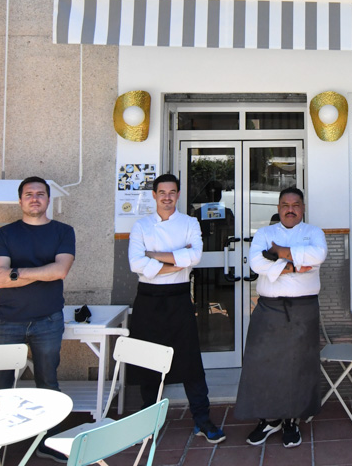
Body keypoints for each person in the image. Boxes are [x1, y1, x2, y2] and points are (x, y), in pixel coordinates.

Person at [127, 173, 226, 444]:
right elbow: (136, 264)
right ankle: (149, 422)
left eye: (172, 192)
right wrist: (175, 263)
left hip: (180, 297)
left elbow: (194, 256)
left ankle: (202, 420)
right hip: (148, 299)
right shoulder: (142, 226)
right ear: (154, 195)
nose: (167, 197)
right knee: (148, 360)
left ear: (178, 195)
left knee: (190, 361)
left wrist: (155, 257)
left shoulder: (189, 222)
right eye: (162, 192)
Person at [0, 176, 75, 462]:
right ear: (20, 199)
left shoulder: (63, 232)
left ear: (49, 199)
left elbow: (60, 271)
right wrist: (39, 272)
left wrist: (17, 273)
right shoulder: (4, 234)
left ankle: (47, 442)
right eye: (29, 194)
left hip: (48, 320)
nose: (34, 198)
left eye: (40, 194)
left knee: (48, 383)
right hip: (7, 320)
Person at [234, 187, 326, 448]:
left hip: (304, 308)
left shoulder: (313, 233)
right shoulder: (265, 234)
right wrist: (294, 265)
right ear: (278, 207)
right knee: (262, 363)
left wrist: (277, 252)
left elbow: (318, 256)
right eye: (285, 204)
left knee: (299, 367)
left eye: (296, 204)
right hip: (268, 307)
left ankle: (291, 421)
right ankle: (268, 419)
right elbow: (255, 263)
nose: (290, 209)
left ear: (303, 208)